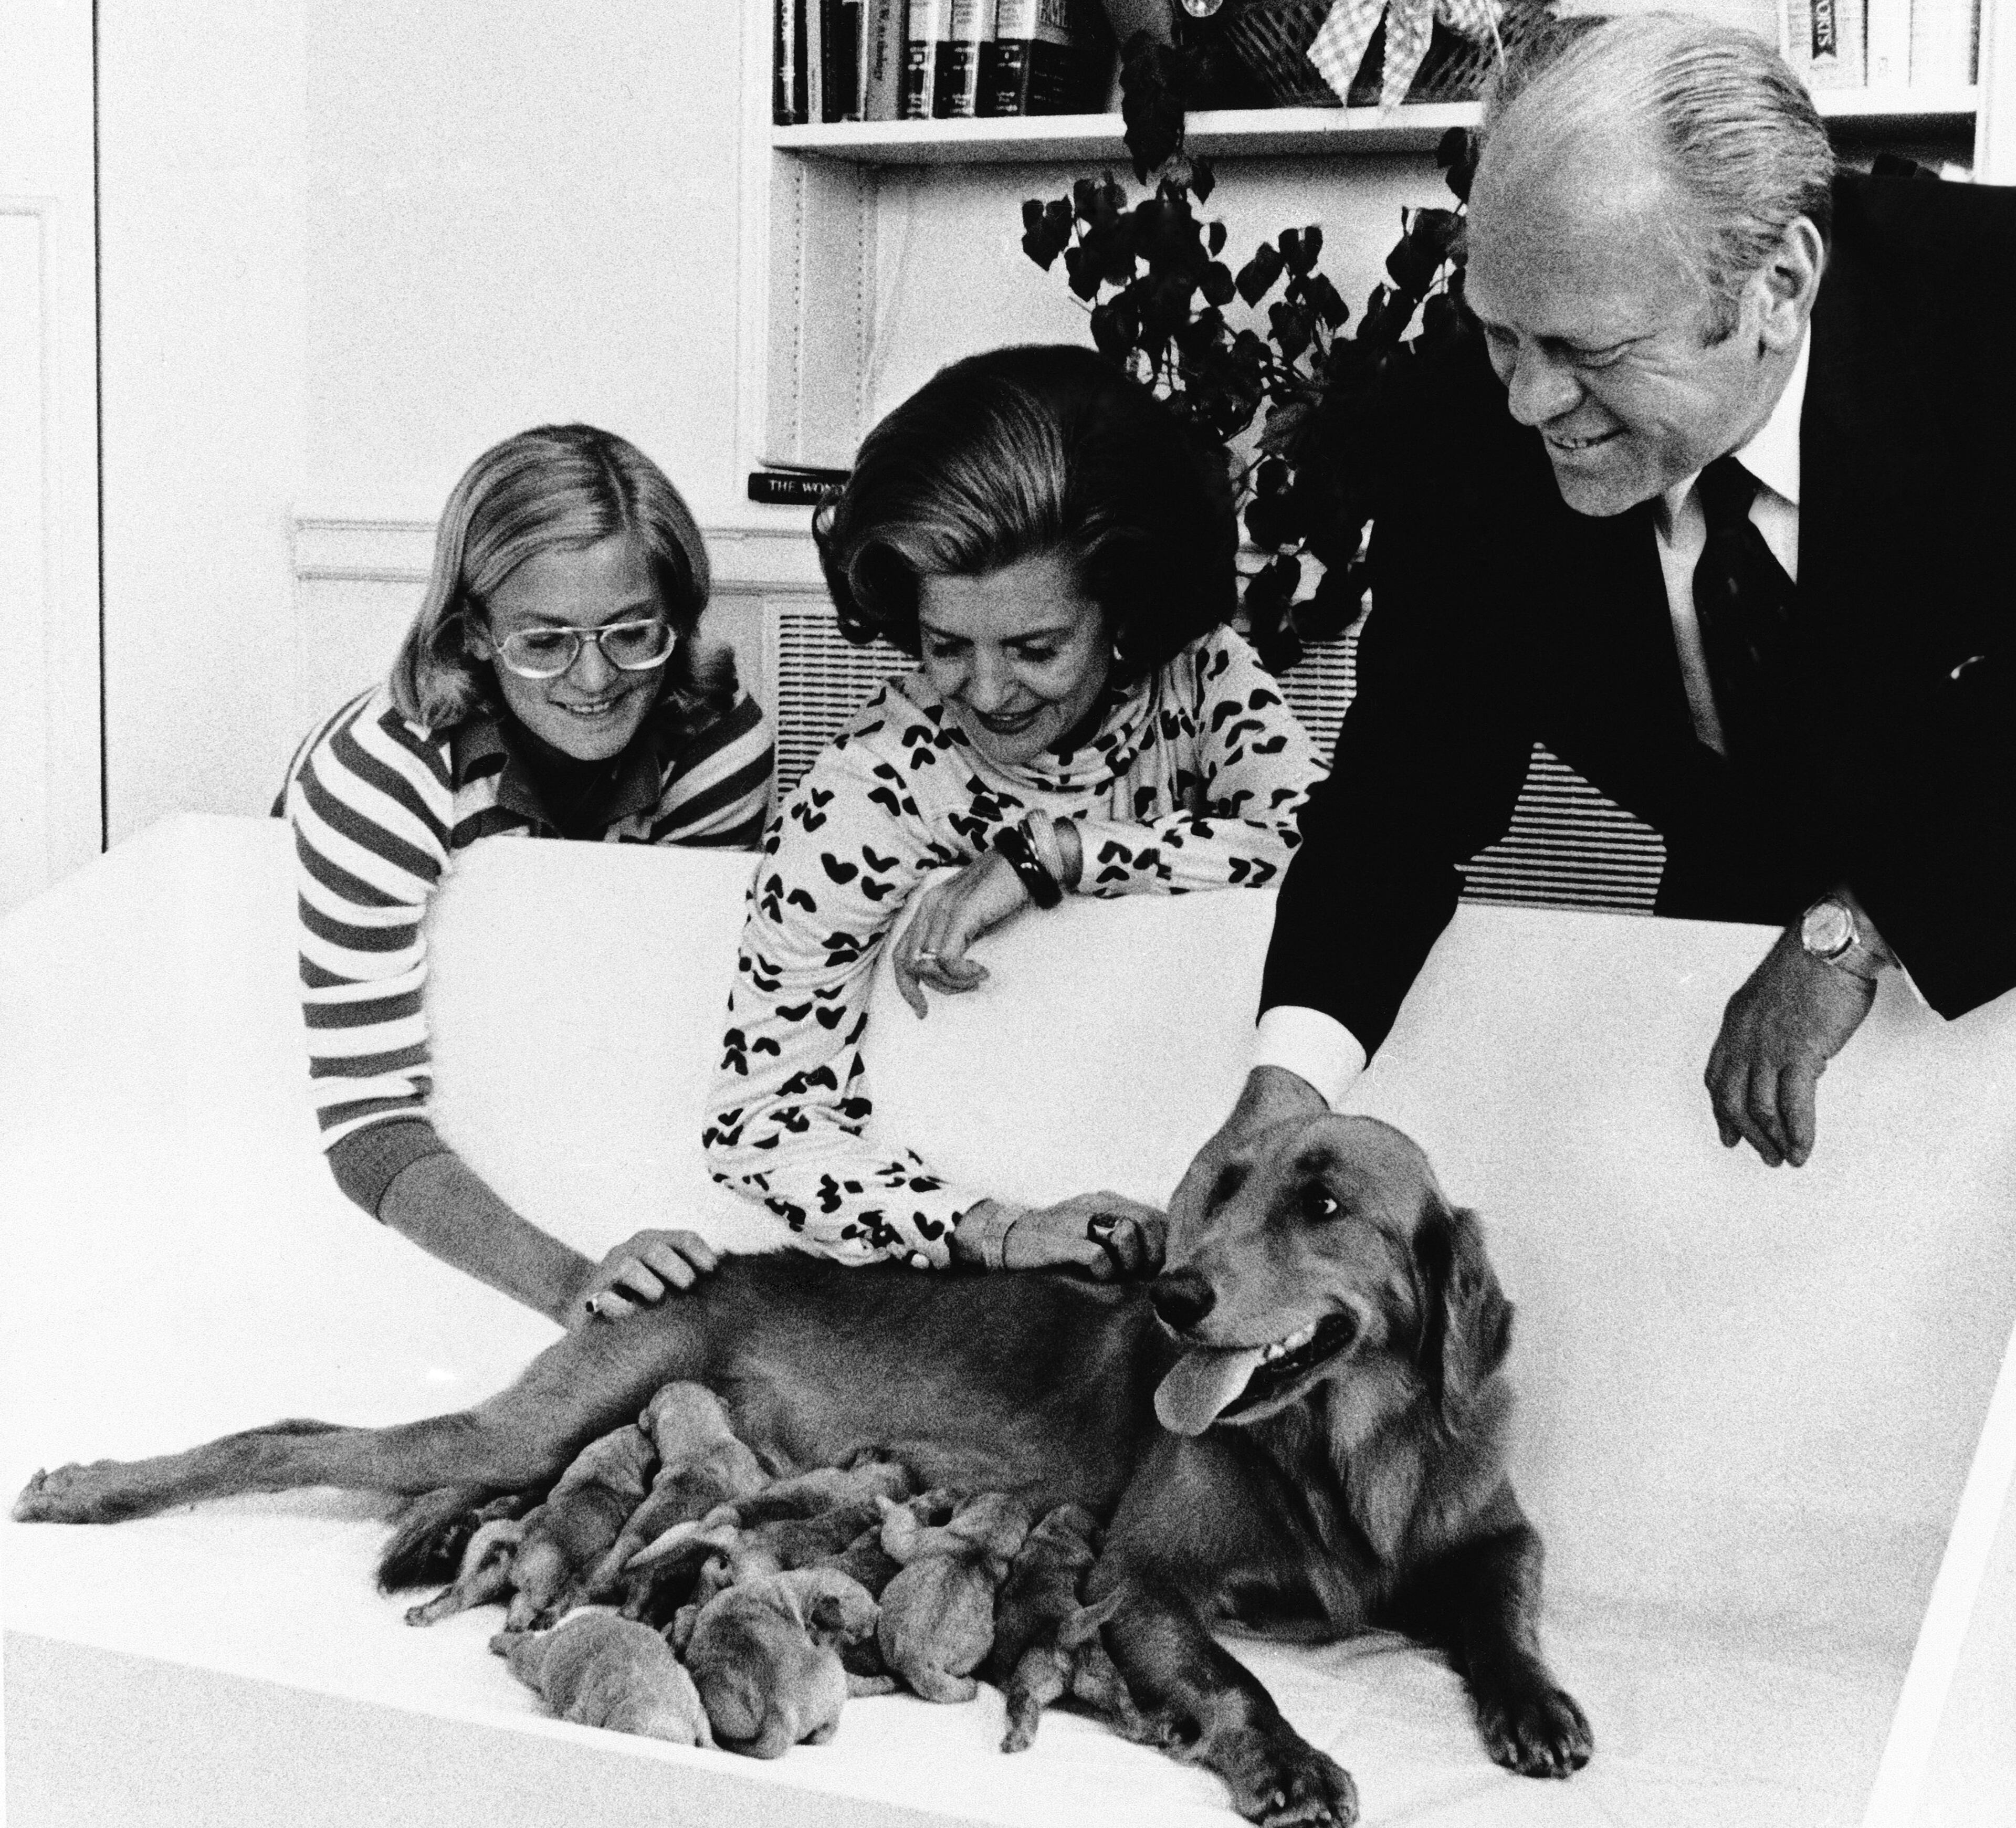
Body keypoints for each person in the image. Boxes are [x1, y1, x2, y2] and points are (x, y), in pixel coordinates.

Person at [1181, 12, 2015, 1204]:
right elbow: (1408, 786)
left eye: (1586, 349)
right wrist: (1289, 1083)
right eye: (1500, 334)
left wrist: (1860, 923)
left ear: (1778, 285)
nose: (1529, 401)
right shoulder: (1466, 419)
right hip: (1735, 948)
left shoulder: (1991, 307)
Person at [703, 344, 1325, 1276]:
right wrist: (998, 1230)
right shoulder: (867, 790)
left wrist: (1058, 856)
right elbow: (760, 1121)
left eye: (1036, 646)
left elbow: (1325, 855)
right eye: (944, 643)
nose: (988, 691)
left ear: (1124, 607)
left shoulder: (1203, 676)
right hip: (990, 1283)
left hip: (1235, 1235)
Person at [277, 423, 773, 1325]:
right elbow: (363, 1123)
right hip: (370, 1144)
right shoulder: (376, 774)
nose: (595, 678)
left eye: (634, 633)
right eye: (544, 641)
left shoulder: (722, 739)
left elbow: (669, 1017)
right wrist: (571, 1287)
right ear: (471, 636)